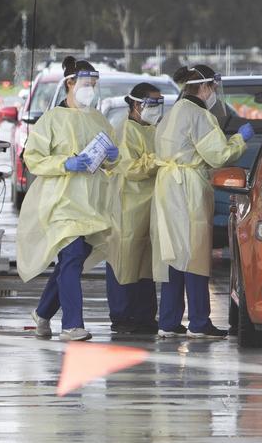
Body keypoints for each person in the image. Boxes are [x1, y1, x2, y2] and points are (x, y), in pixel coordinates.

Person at [17, 56, 119, 342]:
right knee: (72, 257)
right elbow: (33, 158)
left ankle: (42, 313)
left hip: (91, 204)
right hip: (61, 202)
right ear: (70, 83)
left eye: (94, 84)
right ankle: (72, 325)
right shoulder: (51, 120)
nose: (91, 89)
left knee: (69, 264)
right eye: (86, 83)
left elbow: (111, 158)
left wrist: (113, 157)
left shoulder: (97, 118)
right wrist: (66, 164)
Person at [152, 65, 253, 338]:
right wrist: (239, 141)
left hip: (166, 187)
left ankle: (169, 321)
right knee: (195, 253)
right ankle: (198, 321)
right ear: (205, 87)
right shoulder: (200, 116)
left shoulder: (171, 114)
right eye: (215, 88)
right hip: (188, 188)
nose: (215, 94)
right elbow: (219, 156)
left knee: (173, 253)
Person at [106, 83, 163, 334]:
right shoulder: (125, 130)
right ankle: (122, 316)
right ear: (138, 105)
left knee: (145, 264)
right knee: (124, 261)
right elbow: (131, 168)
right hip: (127, 204)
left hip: (149, 205)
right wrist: (158, 160)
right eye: (153, 103)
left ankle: (144, 316)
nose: (157, 109)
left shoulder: (153, 130)